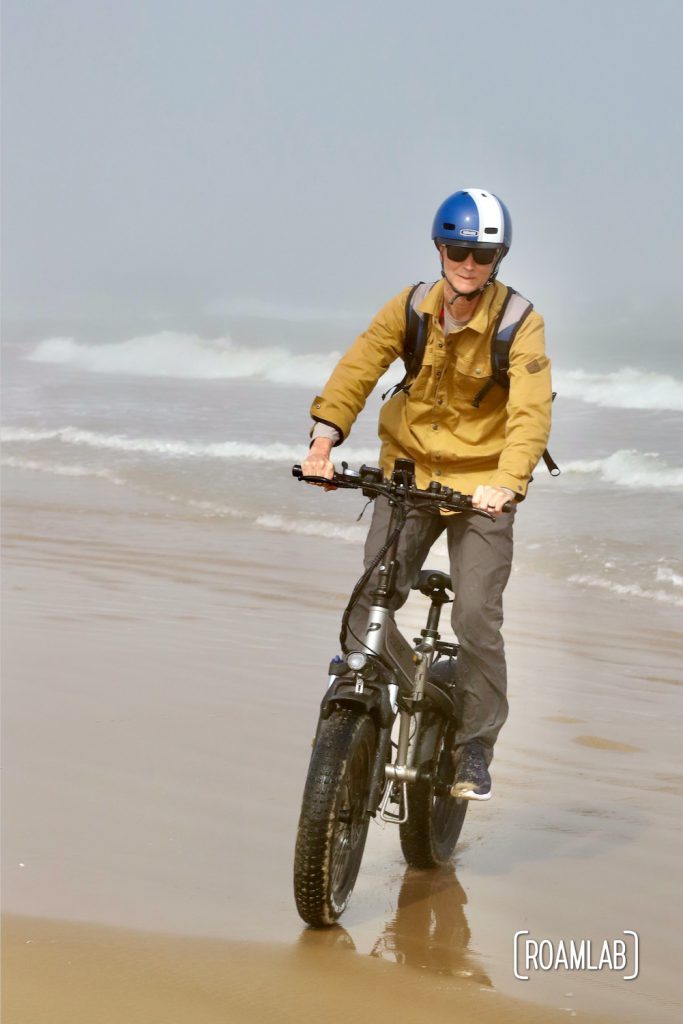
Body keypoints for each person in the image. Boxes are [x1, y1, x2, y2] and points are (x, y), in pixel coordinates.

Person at [301, 188, 552, 801]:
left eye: (483, 255)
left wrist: (508, 482)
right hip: (409, 473)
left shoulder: (520, 323)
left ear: (499, 259)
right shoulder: (410, 307)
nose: (469, 265)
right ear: (440, 249)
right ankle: (392, 681)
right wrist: (323, 439)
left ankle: (474, 744)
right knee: (371, 598)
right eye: (459, 251)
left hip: (481, 488)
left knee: (475, 617)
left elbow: (530, 412)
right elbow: (359, 367)